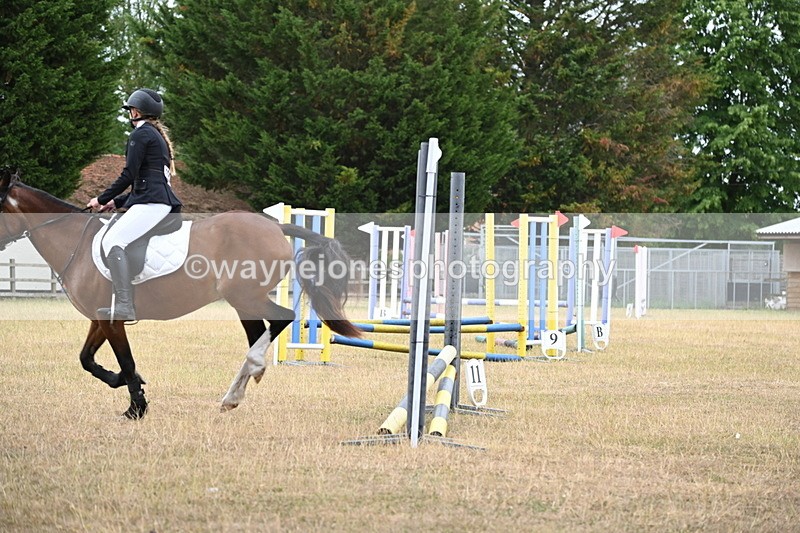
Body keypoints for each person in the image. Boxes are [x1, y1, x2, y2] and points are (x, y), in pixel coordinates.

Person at [88, 88, 182, 321]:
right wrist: (115, 201)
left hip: (154, 202)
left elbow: (129, 175)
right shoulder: (155, 136)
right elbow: (144, 183)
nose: (130, 113)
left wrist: (100, 199)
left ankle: (124, 306)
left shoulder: (140, 135)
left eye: (130, 110)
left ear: (136, 112)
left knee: (112, 240)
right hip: (155, 200)